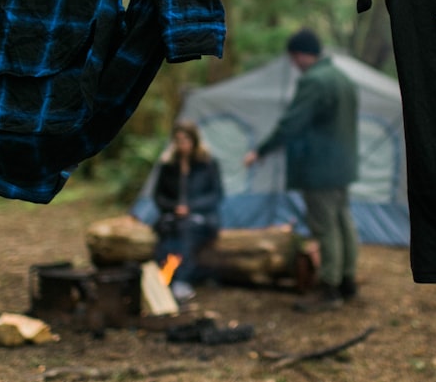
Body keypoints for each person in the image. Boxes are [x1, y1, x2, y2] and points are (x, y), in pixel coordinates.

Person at [243, 29, 361, 312]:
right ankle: (347, 281)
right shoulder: (343, 79)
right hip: (342, 166)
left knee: (325, 226)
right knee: (343, 221)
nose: (294, 64)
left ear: (300, 54)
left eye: (294, 58)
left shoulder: (314, 81)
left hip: (319, 168)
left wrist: (261, 150)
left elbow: (292, 123)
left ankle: (329, 288)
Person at [152, 120, 223, 303]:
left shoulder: (207, 163)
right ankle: (164, 279)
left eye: (186, 139)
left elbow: (216, 195)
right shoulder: (168, 165)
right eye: (178, 139)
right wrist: (173, 208)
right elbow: (158, 196)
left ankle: (181, 280)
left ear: (194, 140)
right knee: (166, 230)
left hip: (201, 218)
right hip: (172, 216)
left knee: (185, 231)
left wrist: (191, 207)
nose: (182, 144)